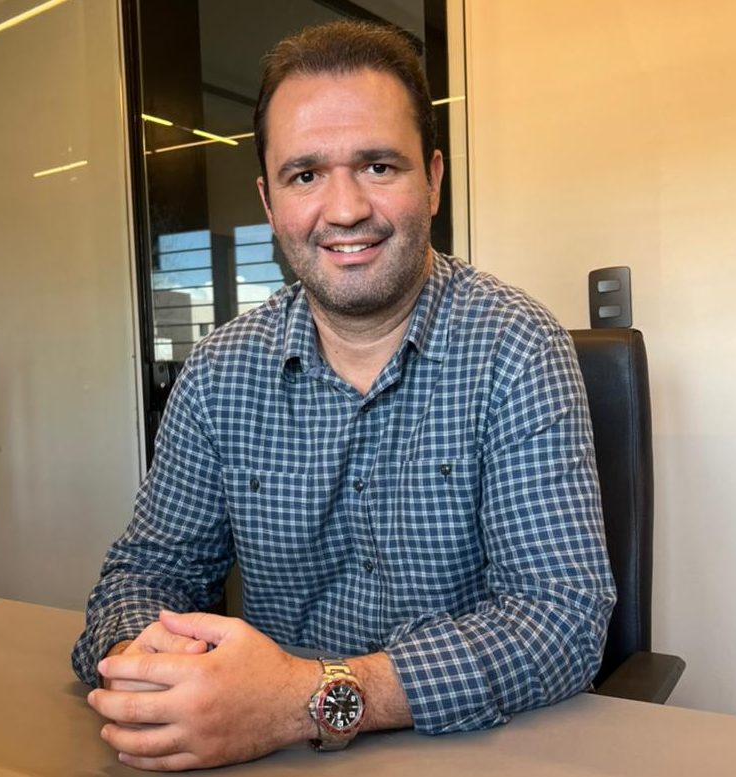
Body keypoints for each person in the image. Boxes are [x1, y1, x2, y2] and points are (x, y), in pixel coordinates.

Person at [73, 20, 615, 772]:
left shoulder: (516, 347)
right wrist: (149, 662)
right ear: (269, 201)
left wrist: (306, 699)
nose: (345, 209)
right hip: (260, 753)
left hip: (466, 750)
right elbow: (144, 577)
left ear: (433, 179)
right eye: (304, 176)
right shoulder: (219, 372)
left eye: (378, 166)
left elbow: (560, 619)